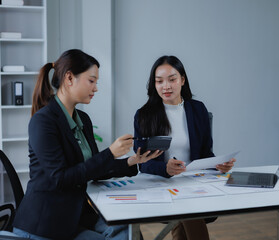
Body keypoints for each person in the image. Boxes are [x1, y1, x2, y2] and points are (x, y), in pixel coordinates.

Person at [12, 49, 161, 240]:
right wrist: (110, 153)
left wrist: (131, 161)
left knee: (128, 230)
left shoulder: (83, 119)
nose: (96, 88)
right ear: (69, 78)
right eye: (91, 81)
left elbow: (94, 168)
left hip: (73, 215)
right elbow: (60, 178)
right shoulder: (43, 122)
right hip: (44, 225)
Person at [134, 55, 236, 240]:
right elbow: (142, 163)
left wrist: (218, 164)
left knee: (186, 212)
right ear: (153, 84)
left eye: (172, 79)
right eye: (159, 81)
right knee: (189, 209)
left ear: (182, 80)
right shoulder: (145, 115)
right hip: (161, 183)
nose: (166, 86)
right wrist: (165, 168)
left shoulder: (197, 110)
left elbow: (206, 153)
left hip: (193, 182)